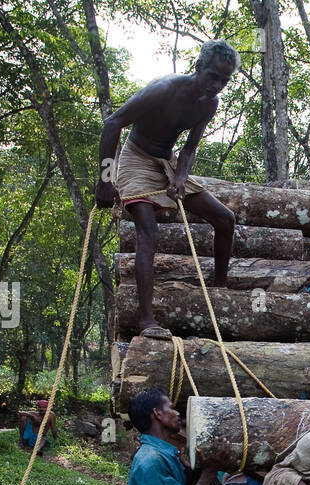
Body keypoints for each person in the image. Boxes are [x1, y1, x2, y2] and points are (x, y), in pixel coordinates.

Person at [96, 39, 240, 337]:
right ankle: (147, 320)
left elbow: (189, 148)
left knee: (225, 220)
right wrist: (105, 181)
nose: (217, 85)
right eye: (213, 76)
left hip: (166, 160)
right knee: (149, 232)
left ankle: (220, 291)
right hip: (135, 158)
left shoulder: (209, 104)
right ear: (198, 67)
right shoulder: (164, 89)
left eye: (224, 80)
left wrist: (181, 178)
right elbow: (113, 124)